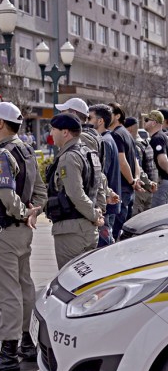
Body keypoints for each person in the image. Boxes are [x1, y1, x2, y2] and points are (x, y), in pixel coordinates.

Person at [0, 102, 45, 371]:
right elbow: (40, 189)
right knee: (24, 285)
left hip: (6, 229)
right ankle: (28, 343)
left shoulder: (3, 153)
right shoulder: (27, 150)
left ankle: (8, 352)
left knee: (8, 292)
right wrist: (33, 212)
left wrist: (20, 212)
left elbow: (5, 195)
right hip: (23, 231)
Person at [45, 113, 104, 269]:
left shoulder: (69, 157)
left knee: (71, 283)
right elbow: (100, 185)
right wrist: (98, 211)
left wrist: (94, 215)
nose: (51, 134)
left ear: (65, 132)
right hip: (87, 229)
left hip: (72, 231)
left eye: (53, 129)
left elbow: (75, 194)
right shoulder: (89, 153)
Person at [88, 104, 121, 246]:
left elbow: (100, 175)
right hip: (108, 203)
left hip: (105, 205)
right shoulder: (107, 139)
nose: (87, 121)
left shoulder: (104, 141)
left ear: (100, 121)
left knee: (103, 246)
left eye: (90, 118)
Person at [108, 102, 141, 240]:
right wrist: (135, 179)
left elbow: (123, 161)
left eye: (109, 112)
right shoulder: (127, 133)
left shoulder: (116, 135)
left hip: (122, 189)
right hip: (129, 189)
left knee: (115, 232)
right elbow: (135, 161)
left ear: (117, 116)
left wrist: (132, 181)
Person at [145, 110, 168, 207]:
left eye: (146, 120)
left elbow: (162, 158)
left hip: (161, 182)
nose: (144, 122)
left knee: (156, 217)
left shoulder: (158, 138)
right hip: (165, 182)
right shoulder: (163, 136)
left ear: (153, 123)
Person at [125, 117, 158, 215]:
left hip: (141, 189)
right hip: (149, 189)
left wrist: (148, 183)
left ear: (129, 128)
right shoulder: (146, 143)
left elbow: (138, 168)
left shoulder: (135, 145)